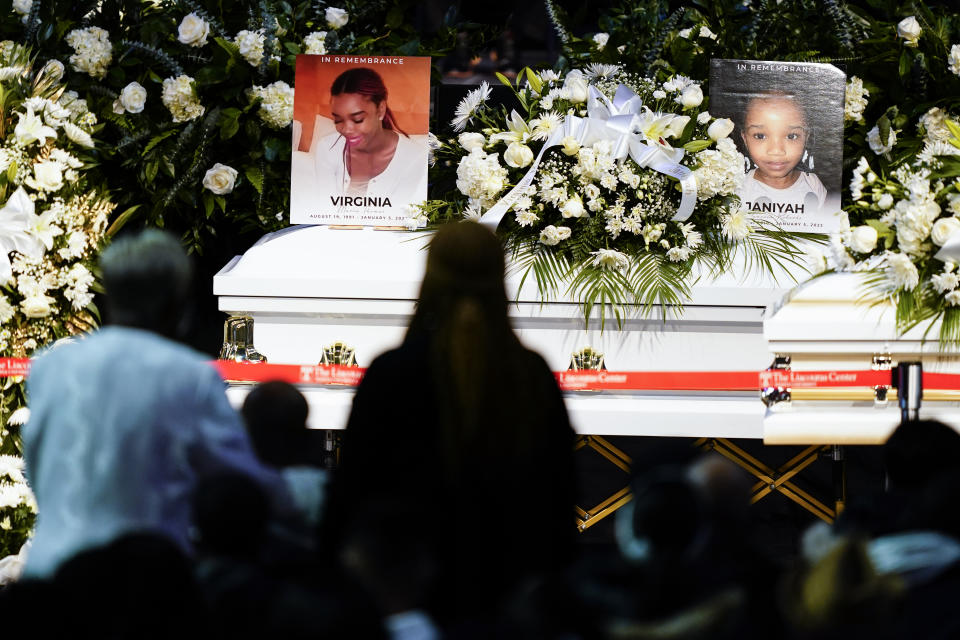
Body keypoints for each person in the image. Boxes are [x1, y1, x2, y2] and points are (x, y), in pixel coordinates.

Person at [321, 221, 578, 629]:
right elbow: (561, 492)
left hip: (407, 589)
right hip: (509, 588)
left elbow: (353, 486)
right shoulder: (529, 374)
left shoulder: (393, 372)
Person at [21, 230, 291, 579]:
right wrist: (305, 494)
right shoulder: (188, 376)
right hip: (143, 584)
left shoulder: (51, 366)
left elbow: (37, 463)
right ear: (176, 303)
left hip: (49, 575)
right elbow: (239, 480)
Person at [311, 67, 427, 207]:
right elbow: (327, 213)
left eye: (358, 119)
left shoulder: (415, 158)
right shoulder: (327, 148)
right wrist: (357, 178)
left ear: (380, 110)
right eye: (338, 120)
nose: (347, 129)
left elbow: (400, 218)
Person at [737, 92, 834, 226]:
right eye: (760, 136)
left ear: (805, 137)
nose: (776, 151)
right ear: (745, 139)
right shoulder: (740, 188)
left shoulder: (813, 184)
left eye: (792, 136)